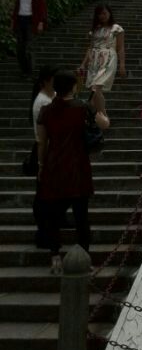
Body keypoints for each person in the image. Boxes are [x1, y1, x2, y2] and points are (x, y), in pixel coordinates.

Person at [36, 69, 110, 273]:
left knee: (53, 215)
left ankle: (55, 257)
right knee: (81, 216)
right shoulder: (83, 107)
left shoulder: (46, 111)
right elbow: (104, 124)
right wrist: (101, 108)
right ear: (74, 87)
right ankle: (85, 258)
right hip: (78, 165)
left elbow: (42, 142)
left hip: (54, 165)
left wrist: (41, 166)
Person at [78, 5, 125, 115]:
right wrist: (83, 65)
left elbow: (121, 47)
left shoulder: (116, 28)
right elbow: (90, 48)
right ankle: (96, 117)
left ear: (109, 13)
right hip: (94, 59)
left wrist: (122, 65)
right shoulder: (95, 29)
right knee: (93, 90)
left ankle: (102, 115)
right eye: (99, 14)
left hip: (108, 57)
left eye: (104, 13)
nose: (102, 16)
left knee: (96, 87)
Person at [29, 67, 56, 249]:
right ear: (46, 81)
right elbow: (42, 136)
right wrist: (41, 163)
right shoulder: (42, 102)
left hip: (49, 148)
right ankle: (42, 233)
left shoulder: (49, 97)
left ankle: (50, 228)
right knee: (43, 195)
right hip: (44, 149)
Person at [12, 0, 47, 77]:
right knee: (20, 48)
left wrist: (41, 23)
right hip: (20, 21)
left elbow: (42, 8)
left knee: (29, 47)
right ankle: (24, 69)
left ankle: (29, 71)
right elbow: (16, 9)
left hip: (31, 21)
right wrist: (13, 23)